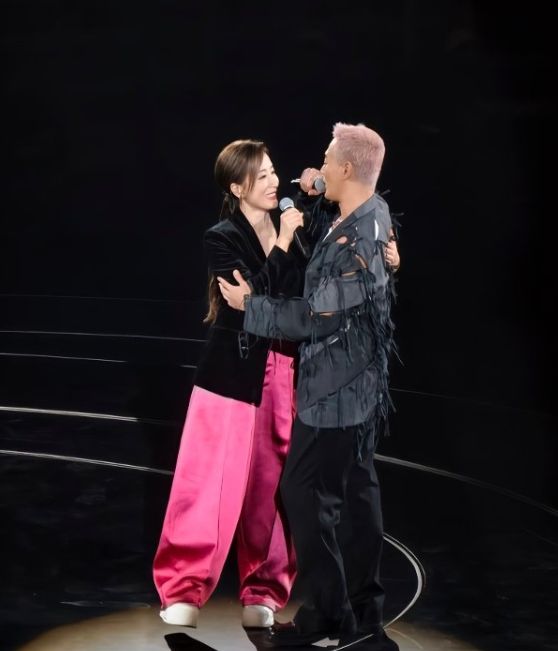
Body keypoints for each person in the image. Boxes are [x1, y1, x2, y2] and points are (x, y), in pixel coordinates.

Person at [218, 122, 400, 649]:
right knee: (358, 496)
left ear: (347, 167)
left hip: (335, 392)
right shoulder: (371, 212)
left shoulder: (360, 240)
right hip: (358, 386)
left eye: (326, 160)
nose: (318, 166)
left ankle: (334, 614)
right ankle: (360, 612)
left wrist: (249, 306)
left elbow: (314, 317)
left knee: (304, 494)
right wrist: (313, 189)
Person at [153, 139, 307, 629]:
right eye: (262, 176)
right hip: (229, 373)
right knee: (208, 482)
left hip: (284, 370)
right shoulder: (221, 237)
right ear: (238, 188)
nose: (274, 182)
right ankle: (184, 587)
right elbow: (252, 300)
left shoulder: (298, 233)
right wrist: (282, 246)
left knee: (272, 487)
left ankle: (263, 589)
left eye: (273, 171)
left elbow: (284, 302)